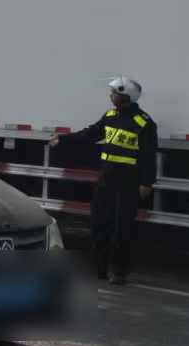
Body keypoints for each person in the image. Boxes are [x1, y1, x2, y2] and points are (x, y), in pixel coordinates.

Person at [51, 76, 157, 285]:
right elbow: (89, 134)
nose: (111, 96)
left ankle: (119, 271)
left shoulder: (143, 123)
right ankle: (99, 269)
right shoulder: (109, 116)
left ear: (126, 96)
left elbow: (149, 155)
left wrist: (147, 182)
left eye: (114, 93)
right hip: (106, 179)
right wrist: (62, 139)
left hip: (128, 182)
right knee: (99, 224)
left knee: (122, 227)